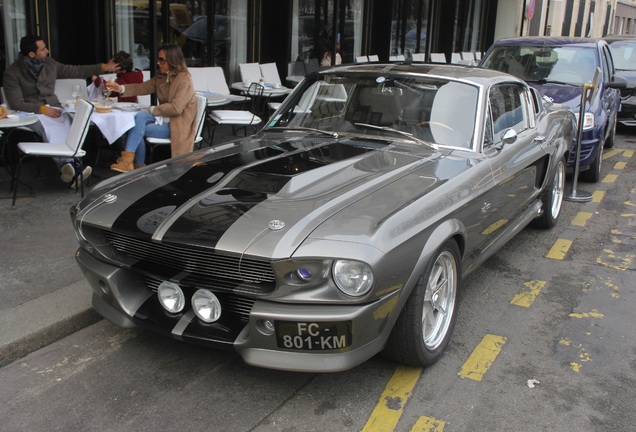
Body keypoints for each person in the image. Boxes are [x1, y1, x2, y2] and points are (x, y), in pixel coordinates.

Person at [3, 35, 120, 186]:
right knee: (51, 127)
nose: (47, 50)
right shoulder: (12, 73)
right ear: (31, 54)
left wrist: (104, 67)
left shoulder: (50, 64)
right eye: (43, 49)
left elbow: (75, 71)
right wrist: (42, 109)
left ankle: (69, 167)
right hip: (32, 113)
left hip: (55, 108)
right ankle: (73, 165)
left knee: (69, 124)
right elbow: (15, 103)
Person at [107, 44, 196, 172]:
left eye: (162, 60)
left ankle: (135, 164)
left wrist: (154, 109)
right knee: (139, 119)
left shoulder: (184, 79)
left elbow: (176, 108)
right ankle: (134, 164)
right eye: (158, 59)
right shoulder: (161, 76)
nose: (158, 63)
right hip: (165, 119)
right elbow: (143, 87)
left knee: (137, 127)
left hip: (178, 125)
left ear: (173, 60)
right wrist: (120, 88)